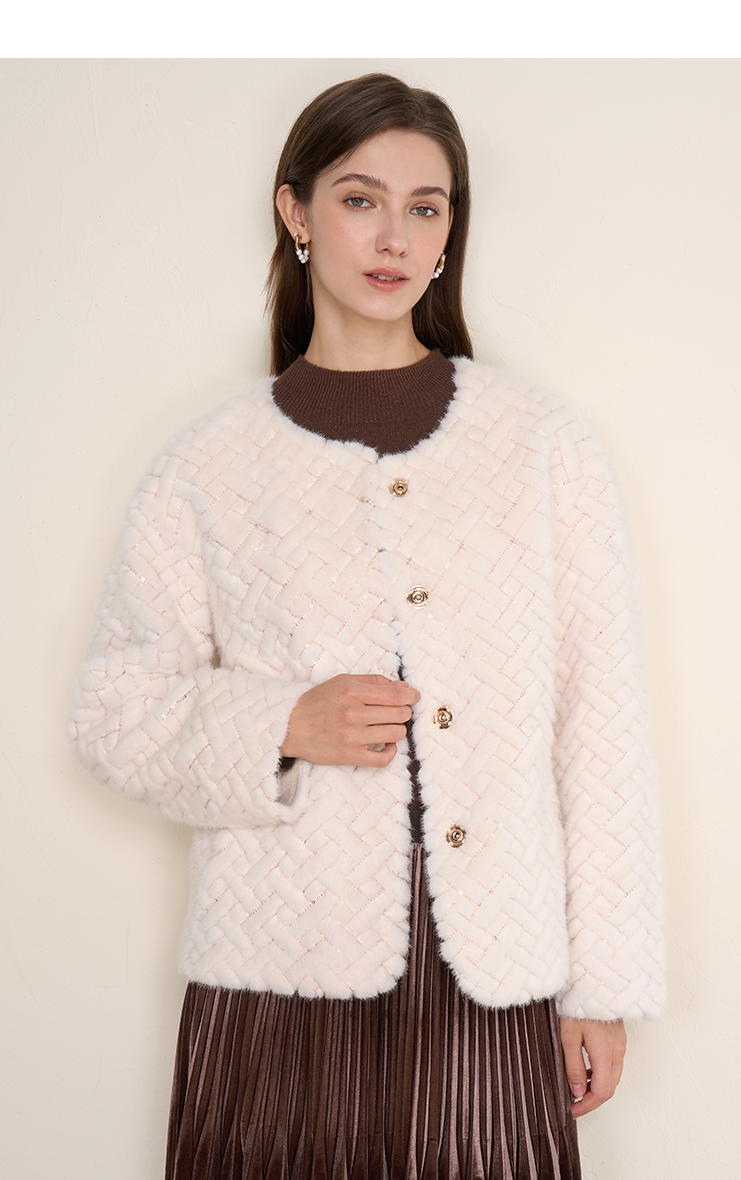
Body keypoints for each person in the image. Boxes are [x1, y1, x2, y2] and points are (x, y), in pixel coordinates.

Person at [68, 73, 665, 1180]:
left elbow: (603, 723)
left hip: (495, 970)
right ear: (295, 211)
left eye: (426, 207)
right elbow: (113, 712)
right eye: (359, 199)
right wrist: (281, 721)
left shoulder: (541, 446)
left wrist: (606, 984)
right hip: (277, 971)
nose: (395, 236)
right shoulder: (206, 467)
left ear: (449, 232)